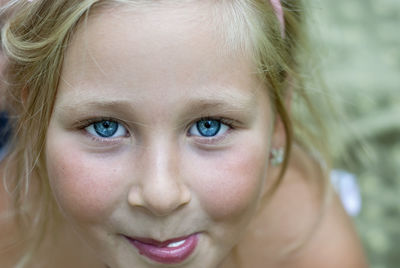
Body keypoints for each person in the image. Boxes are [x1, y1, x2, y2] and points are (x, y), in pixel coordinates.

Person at [0, 0, 367, 267]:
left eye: (209, 125)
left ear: (279, 122)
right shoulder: (11, 232)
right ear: (34, 119)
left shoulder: (307, 243)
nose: (161, 195)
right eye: (105, 126)